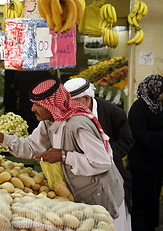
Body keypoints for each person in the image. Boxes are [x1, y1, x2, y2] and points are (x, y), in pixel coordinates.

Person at [0, 77, 127, 229]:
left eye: (37, 105)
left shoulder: (77, 125)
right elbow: (31, 147)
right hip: (79, 194)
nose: (32, 109)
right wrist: (0, 137)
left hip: (102, 197)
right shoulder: (49, 122)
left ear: (52, 105)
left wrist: (63, 155)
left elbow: (102, 162)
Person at [64, 78, 134, 228]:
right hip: (81, 180)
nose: (68, 108)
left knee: (115, 222)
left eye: (72, 103)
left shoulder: (113, 112)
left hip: (111, 178)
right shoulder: (69, 114)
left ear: (86, 98)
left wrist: (103, 154)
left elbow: (127, 140)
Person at [127, 74, 163, 231]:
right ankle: (140, 227)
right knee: (142, 195)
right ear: (153, 89)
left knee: (153, 194)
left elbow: (159, 124)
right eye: (162, 89)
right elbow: (138, 134)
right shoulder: (138, 108)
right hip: (141, 160)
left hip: (156, 158)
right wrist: (162, 135)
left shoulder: (158, 105)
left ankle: (150, 226)